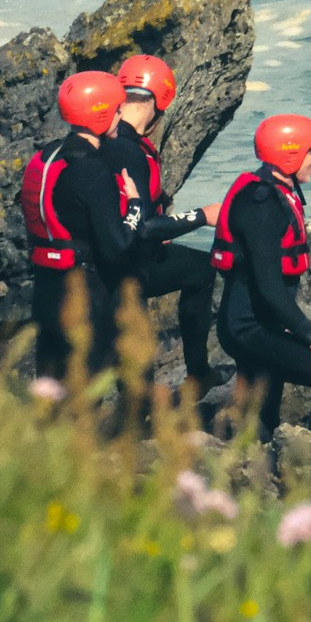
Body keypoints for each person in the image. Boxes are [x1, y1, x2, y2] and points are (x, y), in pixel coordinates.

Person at [211, 114, 311, 441]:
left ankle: (257, 469)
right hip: (246, 328)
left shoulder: (274, 190)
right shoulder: (262, 204)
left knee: (263, 412)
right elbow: (269, 285)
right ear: (289, 154)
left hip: (260, 324)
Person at [102, 54, 224, 388]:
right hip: (125, 271)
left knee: (201, 267)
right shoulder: (131, 151)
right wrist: (201, 216)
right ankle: (195, 374)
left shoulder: (102, 139)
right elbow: (144, 228)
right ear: (159, 105)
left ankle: (199, 374)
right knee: (136, 370)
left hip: (102, 258)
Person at [21, 70, 144, 379]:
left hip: (46, 288)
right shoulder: (91, 170)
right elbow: (117, 246)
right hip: (81, 295)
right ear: (102, 115)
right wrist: (135, 205)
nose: (121, 115)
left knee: (50, 395)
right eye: (117, 109)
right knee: (83, 399)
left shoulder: (49, 156)